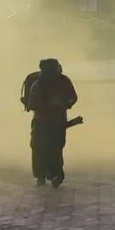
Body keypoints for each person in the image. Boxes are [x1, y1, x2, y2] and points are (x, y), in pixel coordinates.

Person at [26, 58, 78, 188]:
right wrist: (50, 104)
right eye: (57, 67)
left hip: (58, 122)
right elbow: (32, 104)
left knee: (56, 149)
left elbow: (73, 97)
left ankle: (56, 175)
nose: (60, 69)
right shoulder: (38, 85)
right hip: (41, 122)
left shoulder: (64, 81)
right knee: (39, 149)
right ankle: (41, 176)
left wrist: (66, 103)